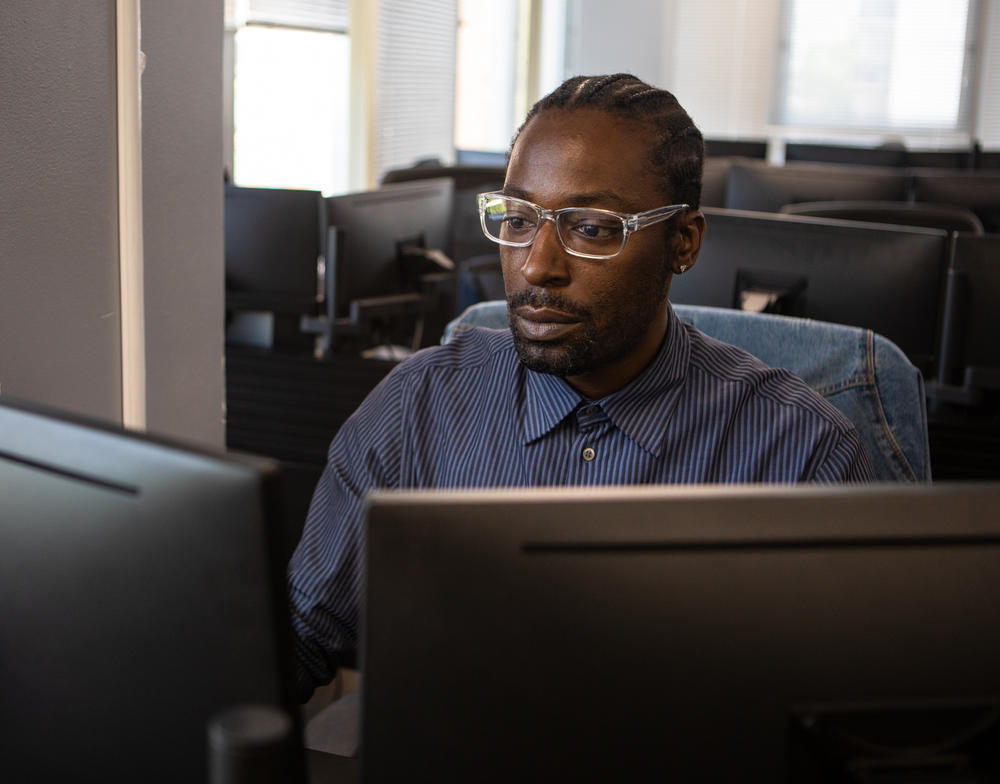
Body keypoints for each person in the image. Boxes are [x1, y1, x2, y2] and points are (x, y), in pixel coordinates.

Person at [288, 73, 873, 699]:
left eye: (591, 227)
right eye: (518, 219)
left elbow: (849, 719)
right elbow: (297, 640)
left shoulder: (805, 455)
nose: (537, 265)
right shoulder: (418, 407)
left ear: (683, 243)